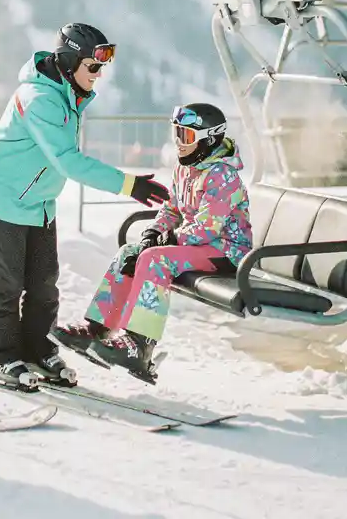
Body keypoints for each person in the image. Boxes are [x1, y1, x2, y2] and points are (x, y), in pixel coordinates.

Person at [0, 22, 171, 388]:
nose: (98, 75)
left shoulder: (65, 92)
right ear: (68, 62)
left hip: (39, 202)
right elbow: (68, 161)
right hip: (4, 197)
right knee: (6, 283)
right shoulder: (40, 99)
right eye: (92, 67)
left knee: (44, 282)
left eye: (101, 68)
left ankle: (36, 348)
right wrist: (130, 185)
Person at [50, 103, 253, 384]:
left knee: (156, 259)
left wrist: (166, 240)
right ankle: (98, 327)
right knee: (131, 252)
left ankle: (139, 345)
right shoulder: (186, 170)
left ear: (209, 138)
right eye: (177, 133)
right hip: (197, 246)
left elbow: (208, 227)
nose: (179, 143)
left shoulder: (223, 175)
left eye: (187, 136)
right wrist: (151, 234)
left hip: (226, 251)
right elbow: (171, 210)